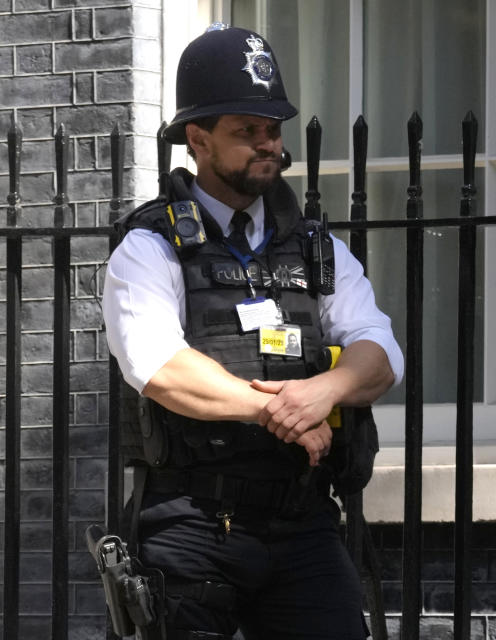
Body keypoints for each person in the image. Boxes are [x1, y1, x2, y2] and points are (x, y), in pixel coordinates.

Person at [102, 24, 403, 640]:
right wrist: (280, 410)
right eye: (247, 131)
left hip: (302, 518)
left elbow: (381, 352)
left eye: (273, 129)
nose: (268, 144)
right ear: (199, 139)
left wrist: (324, 392)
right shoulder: (149, 247)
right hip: (188, 521)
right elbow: (159, 368)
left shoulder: (317, 248)